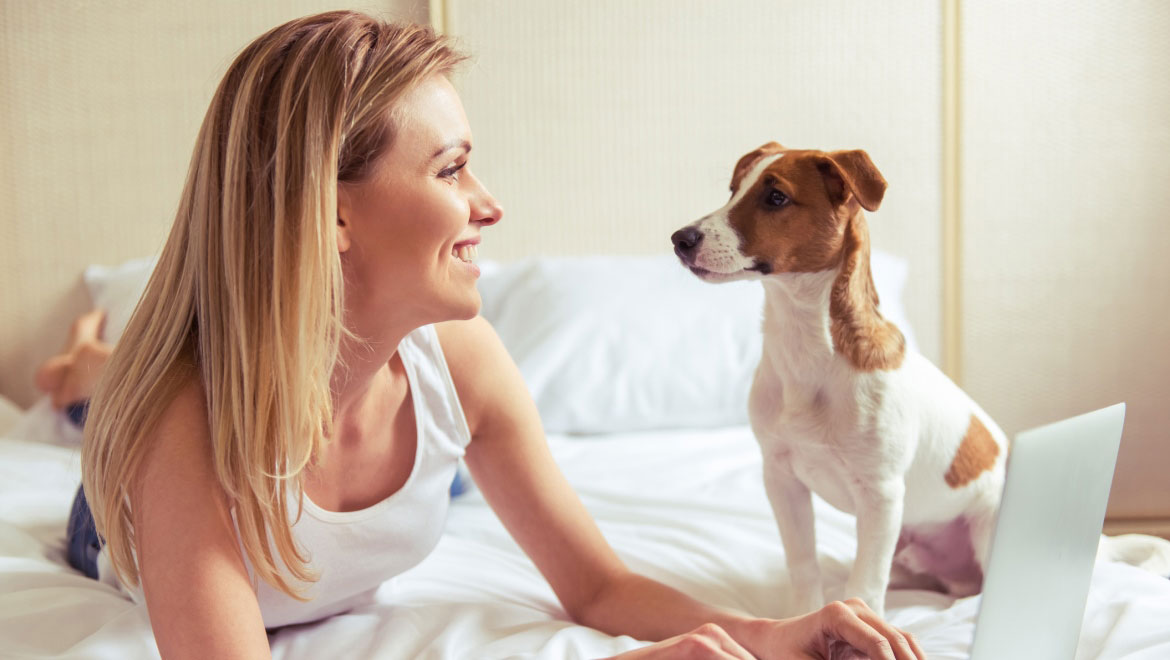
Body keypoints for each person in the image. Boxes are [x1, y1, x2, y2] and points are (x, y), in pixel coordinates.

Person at [50, 11, 925, 659]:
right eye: (452, 167)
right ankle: (89, 369)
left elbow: (597, 587)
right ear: (333, 213)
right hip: (120, 515)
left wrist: (771, 636)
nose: (489, 204)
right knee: (107, 394)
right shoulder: (184, 430)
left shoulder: (458, 361)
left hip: (359, 411)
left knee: (454, 474)